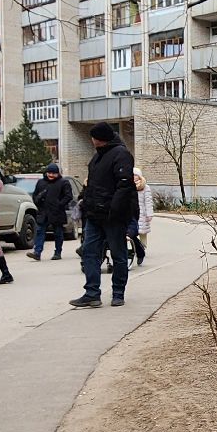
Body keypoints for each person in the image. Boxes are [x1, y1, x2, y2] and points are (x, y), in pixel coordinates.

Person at [72, 121, 136, 308]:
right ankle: (92, 293)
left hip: (113, 216)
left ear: (99, 139)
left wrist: (114, 211)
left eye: (93, 138)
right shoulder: (97, 157)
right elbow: (92, 186)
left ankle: (118, 293)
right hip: (94, 215)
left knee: (118, 254)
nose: (92, 141)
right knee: (89, 252)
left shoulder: (121, 154)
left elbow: (124, 186)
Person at [28, 163, 74, 261]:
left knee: (58, 233)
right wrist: (38, 202)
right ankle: (37, 252)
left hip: (57, 212)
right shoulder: (41, 182)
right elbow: (35, 195)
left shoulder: (63, 182)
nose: (51, 175)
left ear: (58, 174)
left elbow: (68, 196)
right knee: (40, 231)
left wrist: (59, 204)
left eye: (54, 173)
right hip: (43, 212)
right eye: (49, 173)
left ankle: (57, 252)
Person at [132, 167, 154, 267]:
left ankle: (142, 247)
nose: (133, 177)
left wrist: (149, 214)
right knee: (133, 231)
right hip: (132, 212)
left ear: (139, 176)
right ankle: (135, 248)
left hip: (142, 213)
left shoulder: (145, 187)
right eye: (132, 175)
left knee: (142, 232)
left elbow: (148, 202)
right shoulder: (130, 186)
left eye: (135, 175)